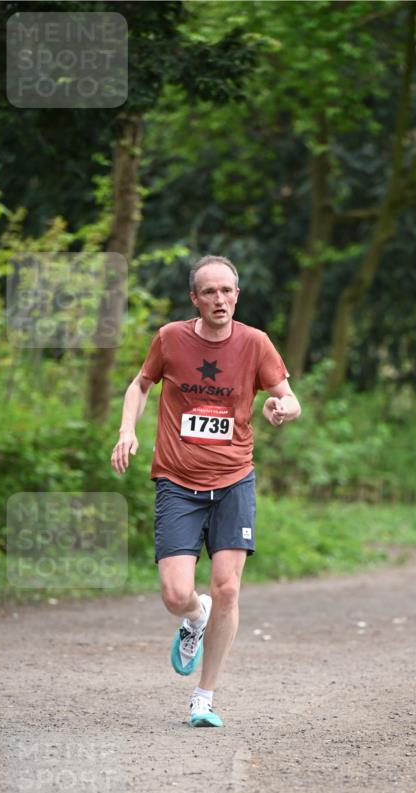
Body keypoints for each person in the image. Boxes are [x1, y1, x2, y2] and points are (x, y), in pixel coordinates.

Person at [111, 255, 300, 726]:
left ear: (238, 294)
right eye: (209, 292)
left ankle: (204, 697)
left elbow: (288, 397)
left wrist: (284, 410)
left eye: (227, 291)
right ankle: (194, 618)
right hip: (177, 480)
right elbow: (140, 386)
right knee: (177, 594)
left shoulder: (255, 343)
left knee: (228, 588)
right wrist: (126, 431)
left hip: (234, 480)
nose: (220, 299)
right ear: (195, 298)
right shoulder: (171, 338)